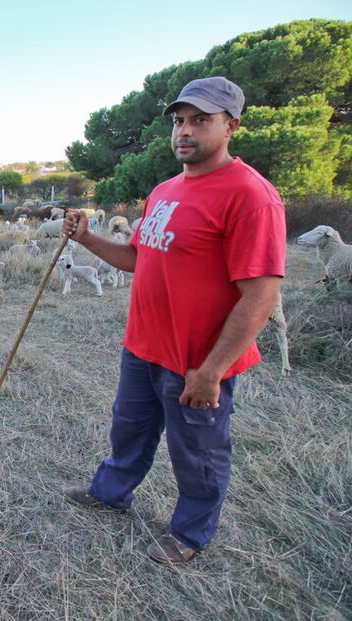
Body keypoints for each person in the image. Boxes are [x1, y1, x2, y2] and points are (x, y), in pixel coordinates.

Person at [60, 76, 286, 565]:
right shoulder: (163, 191)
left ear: (231, 126)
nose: (185, 130)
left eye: (200, 120)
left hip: (197, 359)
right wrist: (86, 238)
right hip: (143, 346)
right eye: (180, 121)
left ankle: (190, 532)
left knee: (198, 451)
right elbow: (138, 258)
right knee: (129, 429)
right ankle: (111, 493)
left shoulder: (251, 196)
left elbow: (260, 295)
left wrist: (213, 370)